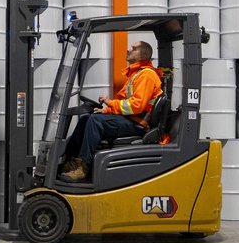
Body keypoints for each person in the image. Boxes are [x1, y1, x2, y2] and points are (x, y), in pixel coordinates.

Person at [61, 40, 163, 182]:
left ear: (143, 54)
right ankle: (71, 161)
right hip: (130, 119)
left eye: (133, 49)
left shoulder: (146, 75)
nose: (128, 50)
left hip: (137, 123)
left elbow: (136, 106)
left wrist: (110, 103)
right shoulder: (136, 74)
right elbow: (123, 101)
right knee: (86, 119)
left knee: (95, 121)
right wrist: (107, 110)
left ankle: (83, 167)